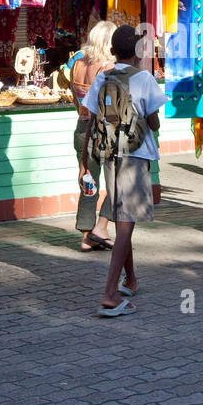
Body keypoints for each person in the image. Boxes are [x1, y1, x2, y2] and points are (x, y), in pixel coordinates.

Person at [81, 24, 168, 316]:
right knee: (126, 223)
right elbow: (154, 124)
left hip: (108, 156)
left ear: (113, 51)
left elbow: (90, 120)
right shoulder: (144, 78)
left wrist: (85, 163)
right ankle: (109, 294)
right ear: (138, 51)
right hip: (135, 156)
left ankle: (130, 280)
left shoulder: (103, 77)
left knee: (121, 220)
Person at [71, 21, 116, 251]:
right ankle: (102, 225)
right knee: (119, 183)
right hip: (101, 132)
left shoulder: (76, 63)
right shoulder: (107, 67)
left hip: (81, 128)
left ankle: (86, 235)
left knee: (88, 183)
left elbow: (74, 99)